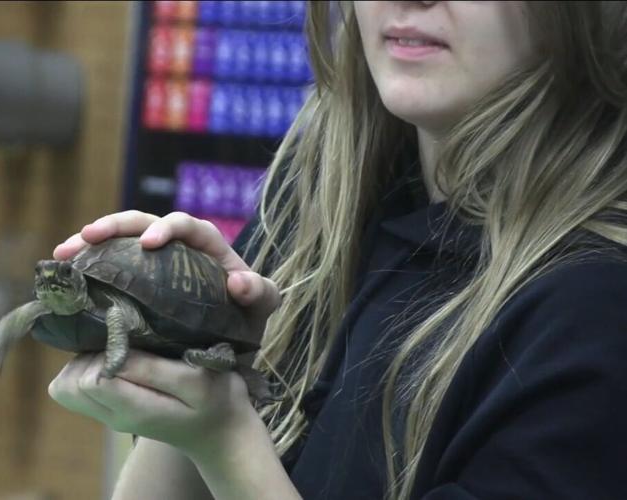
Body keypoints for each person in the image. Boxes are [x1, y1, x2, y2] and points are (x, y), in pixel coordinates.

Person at [47, 2, 627, 499]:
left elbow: (222, 446)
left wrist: (227, 441)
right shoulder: (316, 197)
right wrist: (185, 365)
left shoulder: (596, 307)